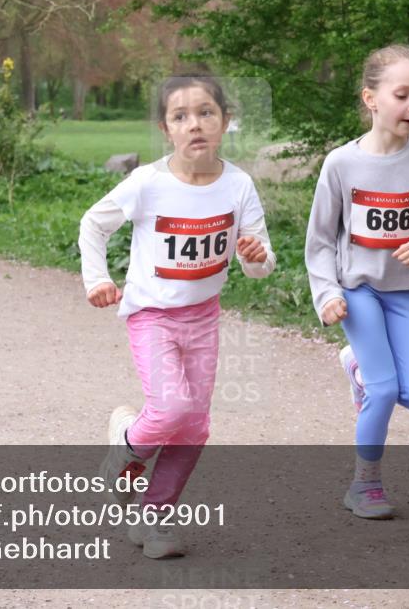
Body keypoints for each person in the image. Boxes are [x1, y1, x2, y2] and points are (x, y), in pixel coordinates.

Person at [79, 76, 276, 558]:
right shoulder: (148, 183)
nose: (195, 124)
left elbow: (260, 264)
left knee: (194, 427)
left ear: (226, 122)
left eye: (206, 112)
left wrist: (255, 255)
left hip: (204, 318)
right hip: (152, 316)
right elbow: (93, 224)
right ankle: (126, 446)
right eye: (180, 116)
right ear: (166, 130)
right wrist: (97, 279)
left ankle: (155, 518)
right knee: (171, 409)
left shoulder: (238, 185)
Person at [305, 44, 409, 519]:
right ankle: (365, 486)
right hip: (356, 290)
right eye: (402, 95)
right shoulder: (341, 164)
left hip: (403, 292)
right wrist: (327, 294)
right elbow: (320, 240)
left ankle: (356, 366)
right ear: (371, 99)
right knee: (383, 390)